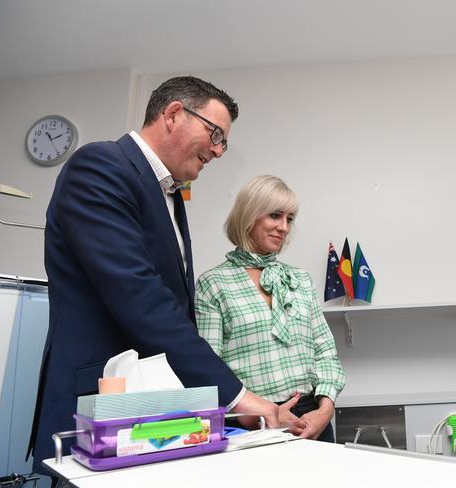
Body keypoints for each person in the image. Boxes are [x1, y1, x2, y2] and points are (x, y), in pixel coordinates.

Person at [29, 76, 282, 473]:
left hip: (154, 411)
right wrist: (235, 397)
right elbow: (141, 298)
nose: (218, 150)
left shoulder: (172, 196)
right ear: (174, 114)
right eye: (214, 133)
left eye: (224, 142)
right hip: (104, 406)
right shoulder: (100, 166)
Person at [195, 175, 346, 442]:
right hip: (251, 425)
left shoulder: (299, 279)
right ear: (249, 215)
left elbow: (324, 351)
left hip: (312, 419)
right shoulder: (213, 284)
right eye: (275, 215)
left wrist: (326, 409)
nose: (284, 227)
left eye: (290, 218)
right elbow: (208, 369)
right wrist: (258, 415)